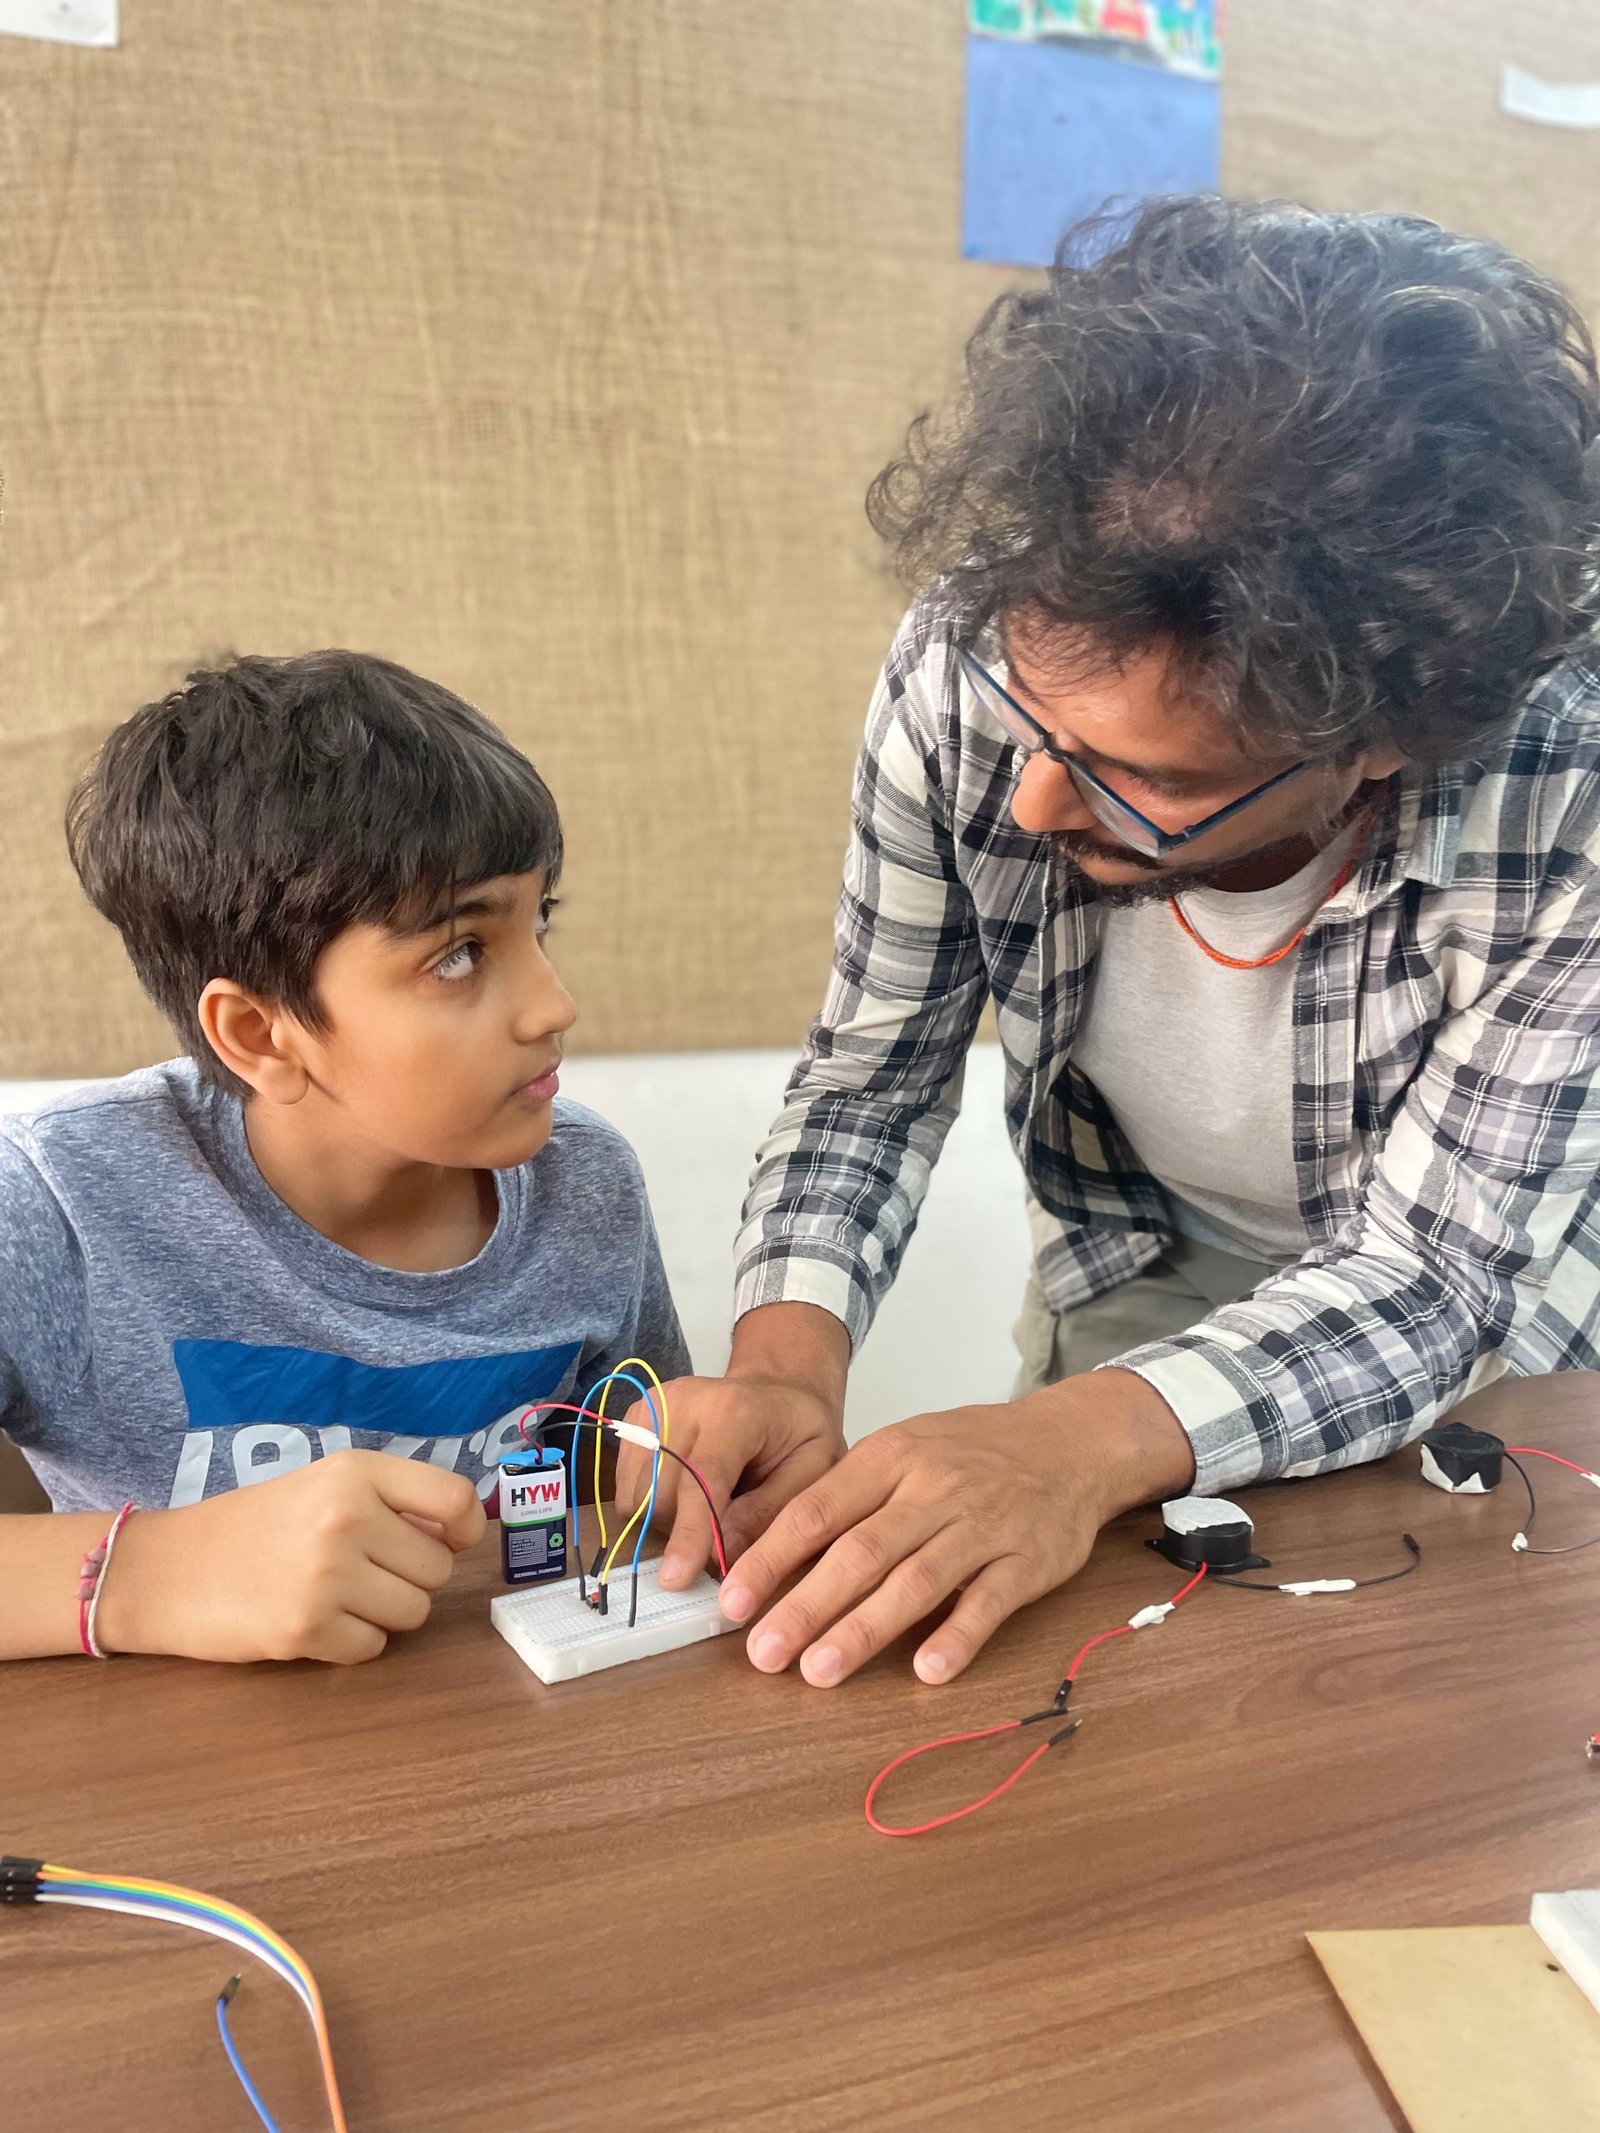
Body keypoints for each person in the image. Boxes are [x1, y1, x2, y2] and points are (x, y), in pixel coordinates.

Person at [620, 195, 1600, 1693]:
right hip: (1144, 1256)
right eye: (1034, 723)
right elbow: (874, 1073)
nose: (1030, 795)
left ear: (1392, 742)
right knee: (1107, 1718)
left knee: (1446, 1722)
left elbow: (1444, 1278)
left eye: (1154, 776)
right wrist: (784, 1366)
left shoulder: (1570, 783)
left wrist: (1069, 1448)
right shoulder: (982, 661)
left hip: (1517, 1321)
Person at [0, 651, 688, 1662]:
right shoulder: (57, 1201)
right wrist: (148, 1575)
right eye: (457, 954)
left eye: (539, 922)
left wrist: (681, 1462)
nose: (555, 1004)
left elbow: (625, 1496)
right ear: (260, 1035)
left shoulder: (585, 1186)